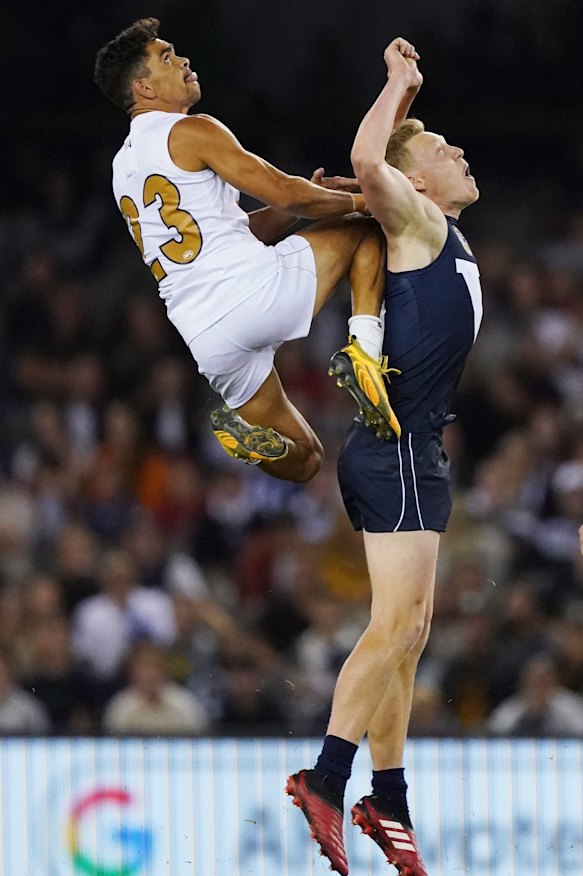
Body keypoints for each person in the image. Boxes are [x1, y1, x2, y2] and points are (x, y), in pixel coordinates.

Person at [286, 37, 482, 876]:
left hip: (405, 450)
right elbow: (372, 157)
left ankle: (389, 798)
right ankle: (327, 779)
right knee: (395, 628)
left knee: (409, 635)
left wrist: (406, 115)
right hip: (396, 448)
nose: (460, 153)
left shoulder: (430, 224)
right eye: (443, 151)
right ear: (417, 183)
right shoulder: (419, 217)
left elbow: (383, 160)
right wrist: (396, 87)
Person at [94, 18, 402, 484]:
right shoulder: (192, 130)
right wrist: (370, 200)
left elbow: (232, 233)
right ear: (143, 87)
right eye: (166, 56)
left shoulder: (122, 167)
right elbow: (287, 193)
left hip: (205, 335)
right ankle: (365, 354)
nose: (182, 60)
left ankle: (256, 446)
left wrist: (306, 205)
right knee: (366, 230)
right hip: (250, 291)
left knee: (307, 458)